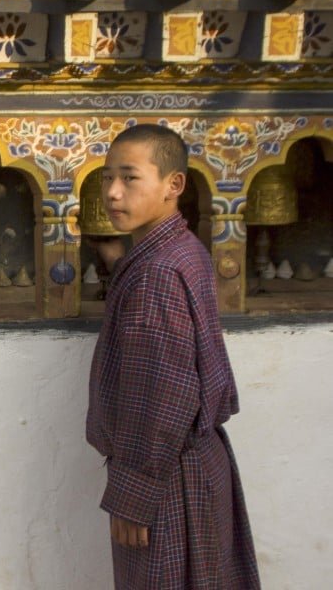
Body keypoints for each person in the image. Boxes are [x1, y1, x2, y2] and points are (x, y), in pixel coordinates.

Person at [85, 124, 261, 589]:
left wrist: (133, 493)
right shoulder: (179, 250)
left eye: (129, 178)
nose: (113, 192)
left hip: (166, 479)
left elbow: (162, 394)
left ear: (173, 185)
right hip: (187, 465)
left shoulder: (156, 273)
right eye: (106, 178)